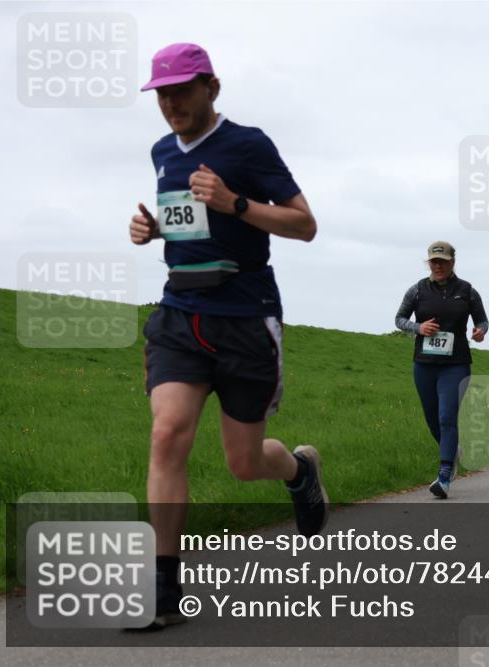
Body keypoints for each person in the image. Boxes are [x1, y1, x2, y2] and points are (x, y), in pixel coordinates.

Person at [130, 43, 326, 629]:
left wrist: (237, 202)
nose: (171, 104)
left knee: (244, 464)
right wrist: (153, 227)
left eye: (181, 91)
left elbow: (304, 224)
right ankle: (164, 591)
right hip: (179, 314)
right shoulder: (162, 150)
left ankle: (298, 471)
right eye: (162, 94)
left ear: (211, 88)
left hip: (245, 319)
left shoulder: (248, 144)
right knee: (167, 435)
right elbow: (186, 219)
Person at [395, 242, 488, 498]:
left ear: (452, 263)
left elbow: (482, 320)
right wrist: (418, 328)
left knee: (447, 417)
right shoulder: (417, 290)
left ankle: (444, 475)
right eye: (433, 261)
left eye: (442, 262)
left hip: (456, 365)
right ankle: (453, 451)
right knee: (433, 419)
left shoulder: (467, 291)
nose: (437, 266)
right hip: (424, 365)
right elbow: (399, 319)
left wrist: (480, 331)